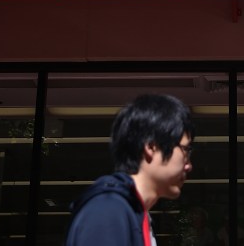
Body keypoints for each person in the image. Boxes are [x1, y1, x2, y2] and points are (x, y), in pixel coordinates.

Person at [66, 94, 195, 246]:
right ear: (151, 147)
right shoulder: (108, 211)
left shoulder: (132, 213)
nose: (189, 165)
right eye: (185, 150)